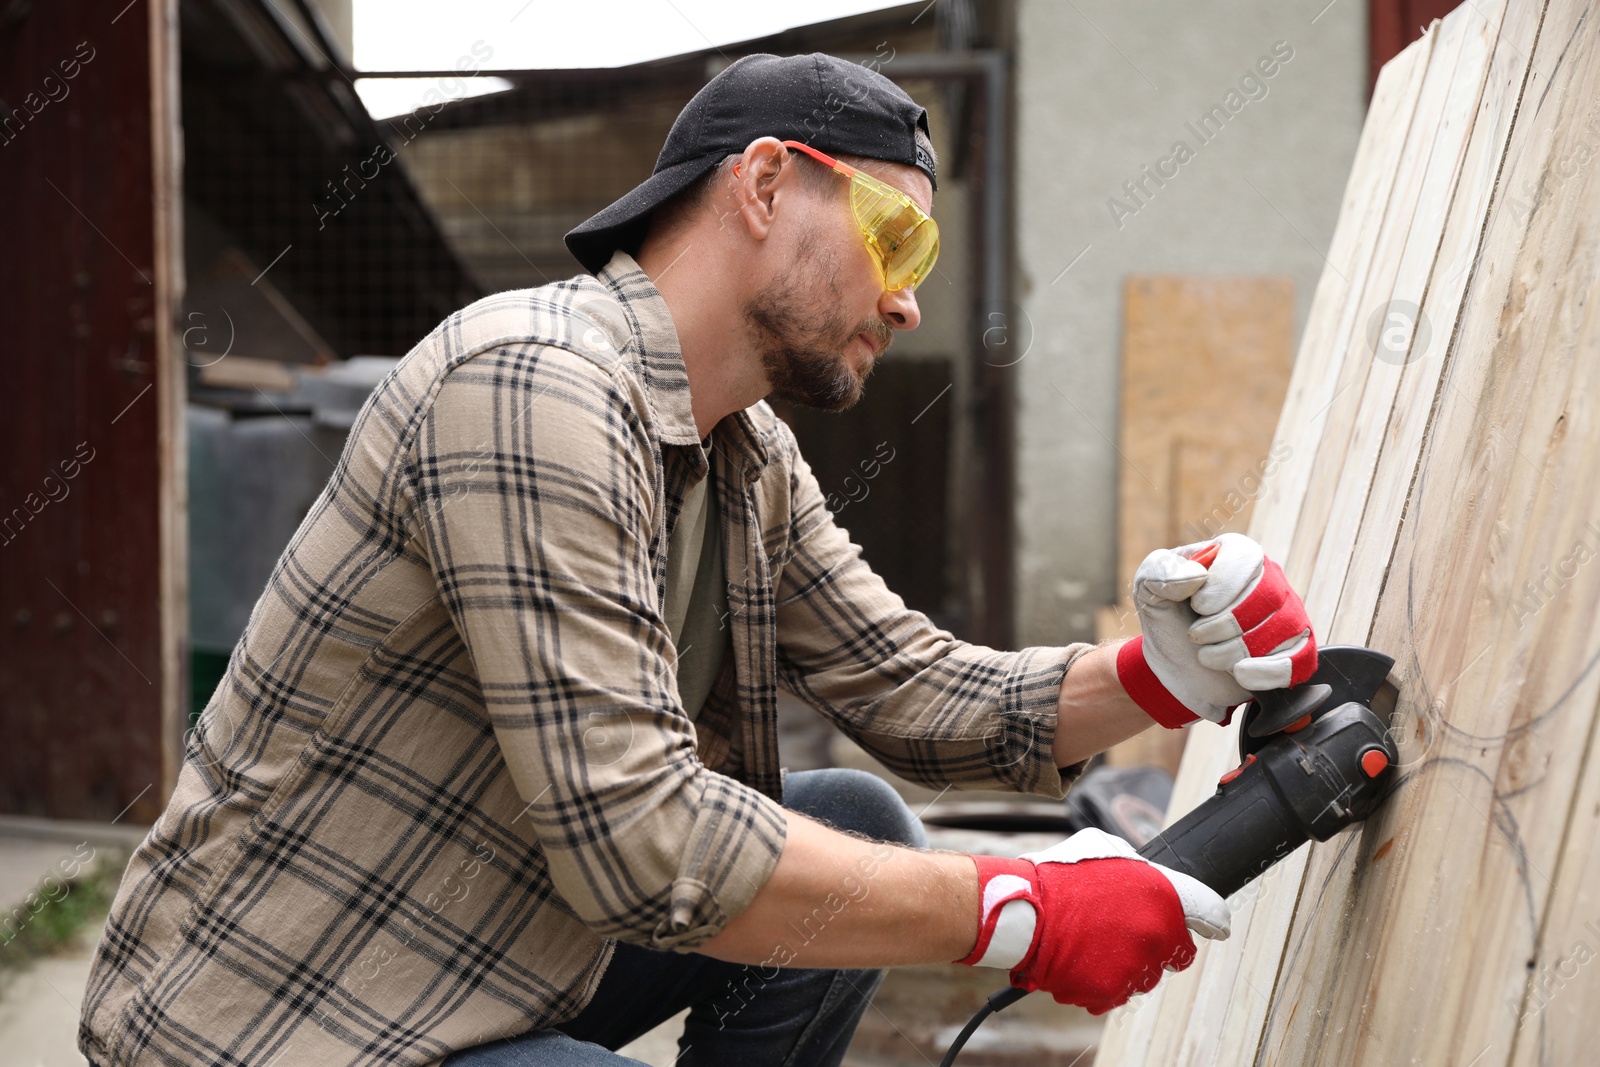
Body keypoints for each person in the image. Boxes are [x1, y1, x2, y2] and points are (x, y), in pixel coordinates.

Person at [79, 53, 1317, 1067]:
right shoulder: (530, 384)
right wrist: (1012, 910)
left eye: (922, 263)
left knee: (847, 813)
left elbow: (910, 687)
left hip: (486, 958)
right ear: (766, 183)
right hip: (267, 1020)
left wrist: (1156, 672)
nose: (906, 304)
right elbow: (641, 836)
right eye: (895, 240)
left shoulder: (742, 451)